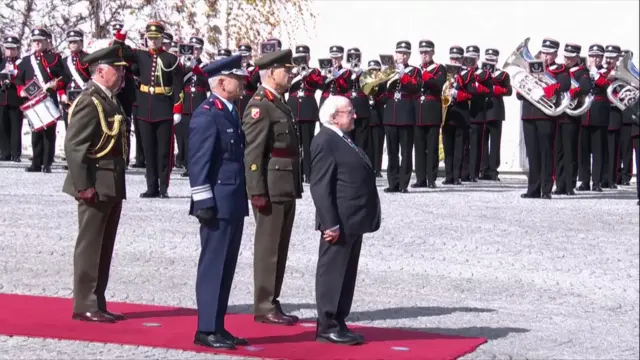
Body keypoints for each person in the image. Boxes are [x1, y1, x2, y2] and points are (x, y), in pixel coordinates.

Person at [62, 45, 128, 323]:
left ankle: (98, 300)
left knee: (104, 245)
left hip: (109, 182)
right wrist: (83, 185)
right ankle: (84, 303)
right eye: (118, 69)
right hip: (94, 184)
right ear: (101, 71)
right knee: (90, 245)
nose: (123, 74)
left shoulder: (109, 99)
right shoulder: (91, 100)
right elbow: (74, 146)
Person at [188, 55, 249, 350]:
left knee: (227, 265)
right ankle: (206, 328)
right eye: (238, 78)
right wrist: (203, 202)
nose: (243, 82)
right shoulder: (207, 113)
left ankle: (219, 326)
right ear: (222, 83)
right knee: (213, 265)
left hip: (233, 200)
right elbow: (199, 162)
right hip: (216, 203)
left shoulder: (229, 111)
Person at [310, 95, 381, 345]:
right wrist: (330, 222)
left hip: (352, 219)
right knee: (332, 272)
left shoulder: (341, 138)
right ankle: (326, 324)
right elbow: (320, 186)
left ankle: (339, 320)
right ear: (334, 116)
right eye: (349, 112)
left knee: (346, 273)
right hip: (338, 221)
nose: (354, 115)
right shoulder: (325, 140)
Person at [242, 49, 302, 325]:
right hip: (270, 186)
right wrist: (256, 191)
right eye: (285, 70)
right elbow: (253, 154)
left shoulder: (279, 103)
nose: (290, 74)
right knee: (268, 249)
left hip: (285, 184)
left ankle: (272, 301)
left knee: (280, 247)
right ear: (270, 73)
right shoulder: (260, 105)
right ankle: (263, 305)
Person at [113, 21, 184, 198]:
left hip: (164, 109)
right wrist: (122, 34)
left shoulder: (171, 59)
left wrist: (177, 109)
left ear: (162, 39)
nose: (153, 41)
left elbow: (177, 85)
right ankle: (151, 186)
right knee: (148, 150)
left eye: (156, 38)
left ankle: (163, 187)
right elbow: (117, 50)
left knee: (164, 151)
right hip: (145, 108)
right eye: (150, 38)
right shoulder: (139, 55)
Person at [15, 27, 68, 173]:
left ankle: (47, 163)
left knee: (49, 133)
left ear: (46, 42)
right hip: (33, 102)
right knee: (35, 133)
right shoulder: (27, 61)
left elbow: (64, 78)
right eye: (34, 41)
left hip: (48, 100)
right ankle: (36, 163)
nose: (37, 43)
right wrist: (21, 91)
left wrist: (56, 85)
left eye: (40, 41)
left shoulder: (55, 59)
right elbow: (18, 80)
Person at [414, 39, 446, 188]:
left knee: (432, 147)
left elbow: (438, 84)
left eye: (427, 52)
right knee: (419, 147)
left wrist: (424, 75)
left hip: (432, 110)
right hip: (418, 111)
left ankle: (431, 178)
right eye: (422, 52)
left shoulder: (440, 68)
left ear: (433, 52)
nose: (424, 55)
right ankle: (420, 178)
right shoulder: (416, 69)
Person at [483, 48, 512, 181]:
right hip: (482, 110)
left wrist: (494, 88)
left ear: (496, 60)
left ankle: (493, 170)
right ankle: (483, 170)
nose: (489, 61)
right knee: (482, 142)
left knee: (495, 142)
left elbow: (509, 90)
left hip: (495, 111)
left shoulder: (503, 74)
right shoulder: (479, 73)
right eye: (487, 59)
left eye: (492, 59)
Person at [0, 34, 22, 162]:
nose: (10, 51)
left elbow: (23, 78)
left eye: (12, 49)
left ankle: (15, 153)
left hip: (15, 99)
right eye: (7, 48)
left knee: (15, 127)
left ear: (17, 49)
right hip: (2, 99)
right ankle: (5, 152)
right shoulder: (1, 62)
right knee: (2, 126)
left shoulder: (21, 63)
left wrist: (14, 80)